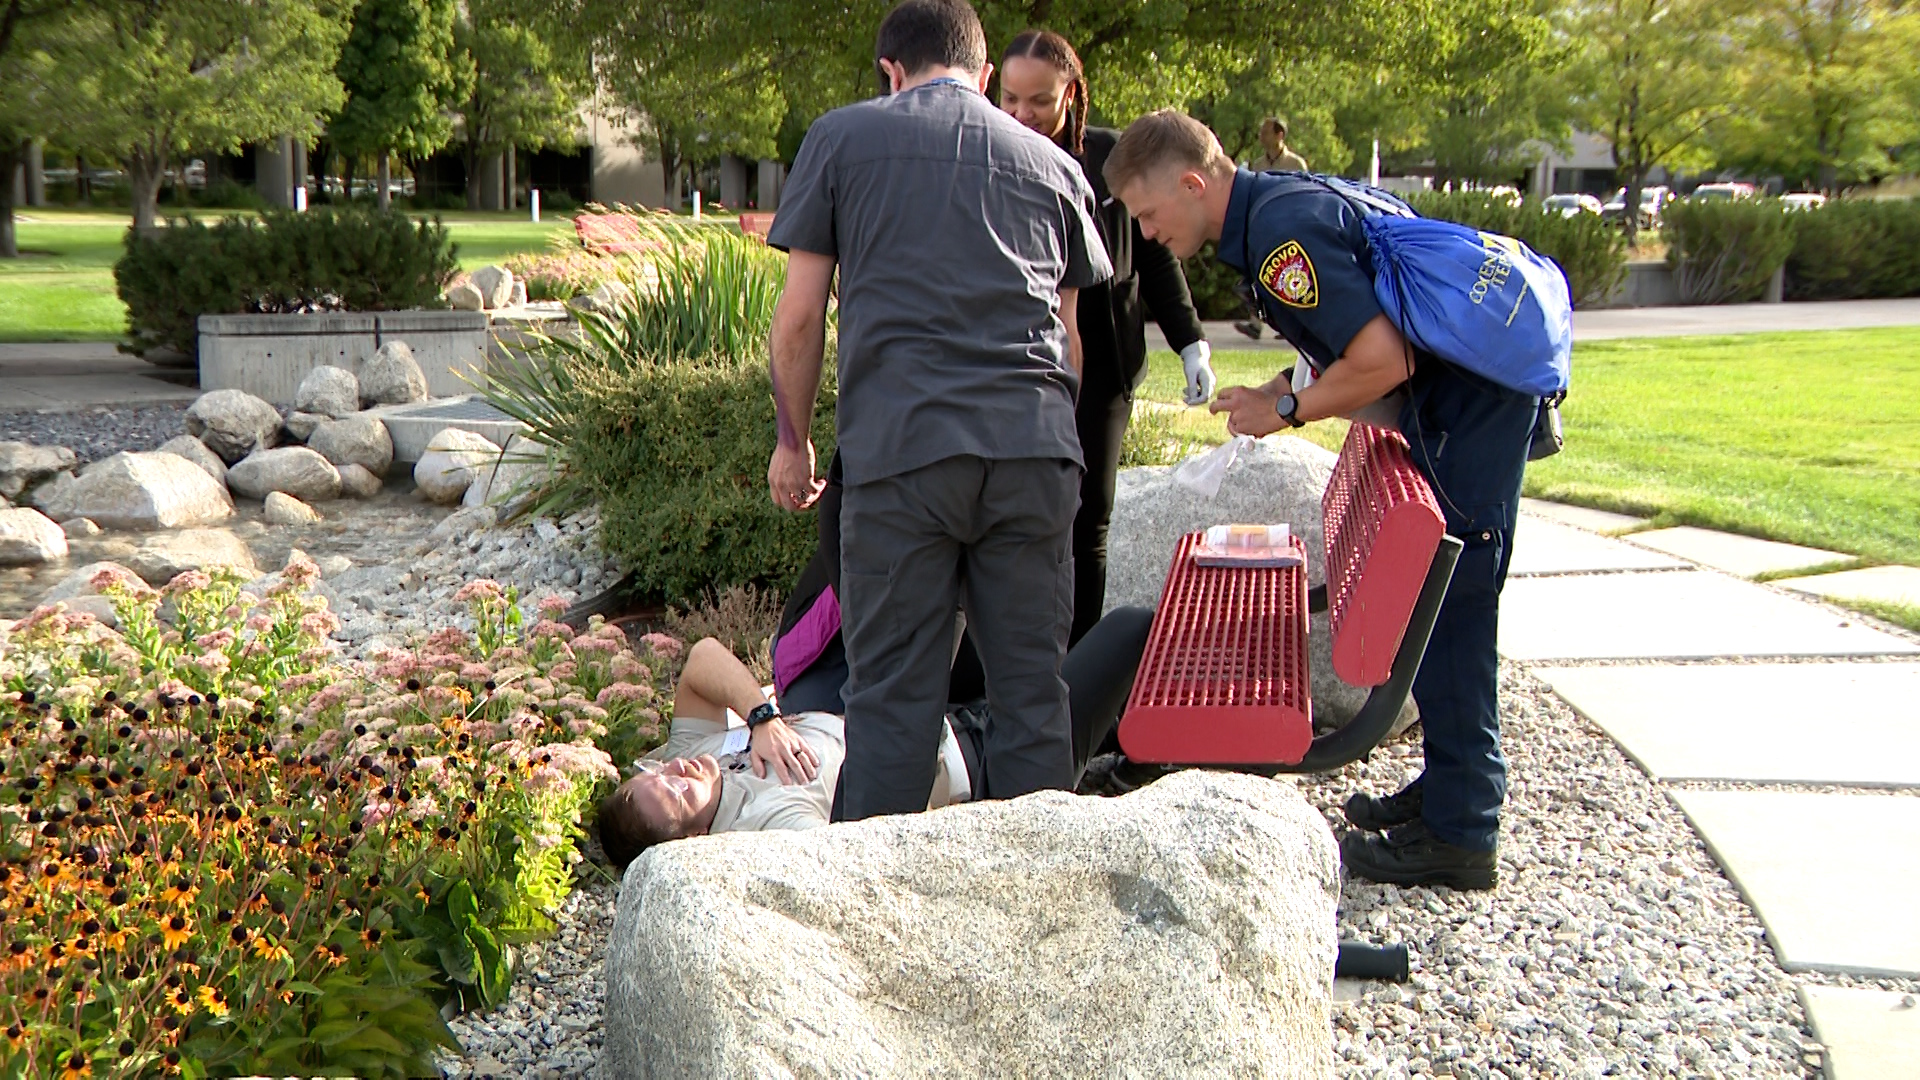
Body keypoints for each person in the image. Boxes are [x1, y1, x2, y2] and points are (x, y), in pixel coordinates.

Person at [1101, 111, 1538, 891]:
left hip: (1474, 412)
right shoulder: (1278, 207)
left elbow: (1382, 357)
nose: (1147, 230)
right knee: (1446, 610)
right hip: (1475, 404)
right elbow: (1351, 338)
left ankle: (1462, 832)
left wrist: (1290, 412)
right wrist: (1274, 391)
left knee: (1459, 609)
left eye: (1148, 212)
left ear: (1193, 184)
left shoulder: (1277, 240)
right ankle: (1450, 791)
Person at [763, 0, 1112, 821]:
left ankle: (864, 920)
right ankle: (1041, 910)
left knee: (892, 704)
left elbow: (801, 316)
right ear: (985, 76)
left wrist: (793, 441)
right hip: (1033, 450)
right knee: (1032, 693)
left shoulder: (843, 139)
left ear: (890, 71)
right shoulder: (1054, 164)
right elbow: (1068, 341)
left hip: (903, 455)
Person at [597, 608, 1156, 868]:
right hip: (990, 756)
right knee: (1132, 629)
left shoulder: (694, 761)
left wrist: (762, 716)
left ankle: (1136, 745)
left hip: (938, 704)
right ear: (694, 842)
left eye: (658, 773)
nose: (678, 772)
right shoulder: (765, 829)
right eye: (676, 793)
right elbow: (854, 861)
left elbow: (701, 659)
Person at [996, 28, 1215, 647]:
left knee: (1090, 516)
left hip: (1103, 368)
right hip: (1016, 366)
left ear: (1073, 95)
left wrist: (1189, 339)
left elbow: (1157, 253)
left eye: (1040, 100)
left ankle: (1079, 664)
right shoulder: (988, 155)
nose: (1023, 114)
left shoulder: (1111, 160)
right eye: (1011, 98)